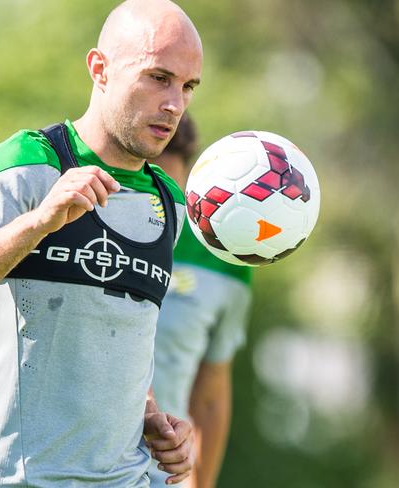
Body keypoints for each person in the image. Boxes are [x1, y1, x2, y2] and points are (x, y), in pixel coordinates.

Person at [0, 0, 203, 486]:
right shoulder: (28, 161)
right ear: (100, 69)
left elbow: (111, 346)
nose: (174, 103)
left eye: (187, 86)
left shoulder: (170, 202)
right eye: (158, 77)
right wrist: (40, 222)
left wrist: (151, 417)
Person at [147, 115, 253, 488]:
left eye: (167, 189)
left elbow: (210, 395)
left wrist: (202, 482)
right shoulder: (78, 218)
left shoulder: (224, 254)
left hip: (158, 477)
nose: (155, 202)